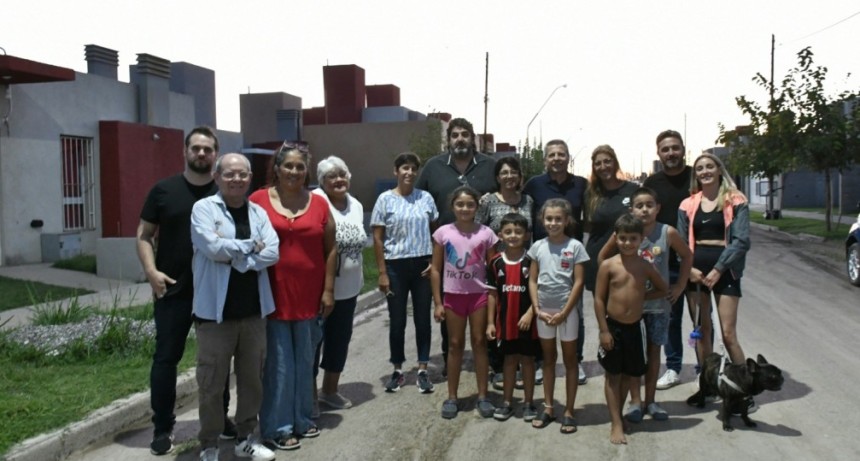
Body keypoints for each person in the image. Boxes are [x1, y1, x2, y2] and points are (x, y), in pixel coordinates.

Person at [136, 126, 234, 456]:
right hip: (173, 290)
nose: (202, 154)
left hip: (216, 290)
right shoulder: (163, 191)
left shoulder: (225, 194)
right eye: (196, 148)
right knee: (166, 359)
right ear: (185, 152)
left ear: (216, 154)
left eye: (208, 149)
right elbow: (144, 235)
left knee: (218, 361)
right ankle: (162, 427)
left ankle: (221, 419)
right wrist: (151, 272)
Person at [190, 153, 278, 461]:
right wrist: (252, 248)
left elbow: (274, 251)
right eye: (229, 174)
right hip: (215, 316)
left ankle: (245, 438)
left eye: (242, 174)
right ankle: (210, 443)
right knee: (211, 383)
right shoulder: (203, 209)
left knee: (252, 380)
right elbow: (211, 248)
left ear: (250, 178)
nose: (236, 179)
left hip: (253, 313)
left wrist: (239, 256)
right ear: (217, 177)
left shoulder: (257, 212)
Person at [250, 142, 336, 451]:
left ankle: (302, 418)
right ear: (277, 168)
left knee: (304, 362)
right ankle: (276, 426)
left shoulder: (319, 204)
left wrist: (328, 290)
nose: (294, 171)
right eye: (288, 165)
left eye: (300, 167)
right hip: (272, 296)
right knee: (278, 365)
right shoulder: (258, 200)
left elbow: (331, 248)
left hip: (310, 297)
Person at [597, 187, 691, 423]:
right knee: (632, 358)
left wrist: (679, 286)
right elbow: (603, 257)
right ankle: (635, 402)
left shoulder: (666, 233)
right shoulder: (627, 232)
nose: (645, 209)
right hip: (630, 314)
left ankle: (650, 401)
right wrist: (613, 287)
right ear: (632, 209)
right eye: (639, 205)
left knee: (653, 353)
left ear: (658, 208)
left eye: (650, 205)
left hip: (658, 307)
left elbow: (687, 256)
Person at [416, 117, 496, 373]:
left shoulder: (490, 166)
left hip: (483, 248)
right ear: (448, 140)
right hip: (446, 249)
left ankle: (492, 360)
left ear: (473, 138)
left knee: (486, 304)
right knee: (450, 305)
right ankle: (451, 358)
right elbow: (420, 206)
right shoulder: (433, 167)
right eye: (455, 135)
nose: (460, 138)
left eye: (465, 134)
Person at [678, 152, 753, 412]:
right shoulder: (688, 204)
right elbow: (680, 242)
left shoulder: (736, 200)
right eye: (700, 168)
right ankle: (708, 386)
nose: (705, 171)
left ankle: (745, 392)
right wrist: (690, 270)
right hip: (696, 272)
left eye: (710, 166)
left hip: (726, 271)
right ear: (695, 174)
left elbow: (741, 241)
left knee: (729, 334)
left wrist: (719, 269)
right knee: (702, 331)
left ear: (719, 170)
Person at [594, 214, 669, 444]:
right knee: (612, 376)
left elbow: (663, 288)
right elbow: (598, 298)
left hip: (635, 329)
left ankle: (619, 415)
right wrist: (604, 330)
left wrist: (642, 297)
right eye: (623, 238)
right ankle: (616, 422)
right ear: (616, 238)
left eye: (632, 239)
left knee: (629, 375)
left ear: (641, 238)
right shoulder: (608, 265)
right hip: (613, 329)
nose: (627, 243)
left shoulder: (645, 266)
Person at [371, 152, 437, 393]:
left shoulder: (426, 198)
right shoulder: (385, 200)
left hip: (422, 265)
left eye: (412, 168)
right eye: (404, 168)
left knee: (422, 319)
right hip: (395, 266)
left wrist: (433, 261)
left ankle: (422, 369)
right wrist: (382, 272)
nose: (409, 172)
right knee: (397, 321)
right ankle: (398, 370)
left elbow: (435, 233)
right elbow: (377, 239)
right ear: (395, 171)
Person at [523, 139, 589, 385]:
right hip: (543, 255)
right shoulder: (534, 185)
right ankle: (542, 362)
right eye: (552, 155)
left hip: (572, 256)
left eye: (561, 154)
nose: (557, 158)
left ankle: (577, 361)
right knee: (542, 306)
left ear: (568, 158)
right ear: (545, 160)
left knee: (576, 311)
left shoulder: (581, 184)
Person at [432, 186, 498, 419]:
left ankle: (482, 395)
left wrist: (494, 298)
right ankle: (452, 396)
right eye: (460, 204)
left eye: (470, 204)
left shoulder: (486, 234)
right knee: (455, 345)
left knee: (480, 343)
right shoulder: (443, 233)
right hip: (453, 296)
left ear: (477, 207)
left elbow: (493, 268)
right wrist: (438, 302)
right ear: (452, 207)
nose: (465, 209)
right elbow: (436, 270)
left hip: (478, 296)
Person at [527, 199, 588, 434]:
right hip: (544, 313)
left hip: (567, 313)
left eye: (558, 219)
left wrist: (564, 312)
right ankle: (549, 407)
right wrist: (536, 308)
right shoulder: (538, 246)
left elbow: (579, 281)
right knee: (548, 360)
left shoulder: (575, 246)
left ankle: (570, 411)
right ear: (543, 220)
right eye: (549, 219)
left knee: (571, 361)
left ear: (567, 220)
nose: (553, 223)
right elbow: (532, 279)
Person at [312, 156, 367, 410]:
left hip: (350, 288)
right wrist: (326, 289)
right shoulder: (316, 202)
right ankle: (308, 396)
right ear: (322, 182)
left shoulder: (354, 204)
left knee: (339, 341)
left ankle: (330, 391)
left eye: (342, 174)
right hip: (321, 290)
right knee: (314, 343)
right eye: (331, 176)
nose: (338, 180)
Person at [476, 155, 533, 390]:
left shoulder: (528, 200)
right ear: (497, 177)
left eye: (513, 172)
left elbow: (533, 233)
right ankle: (498, 368)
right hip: (496, 266)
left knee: (519, 312)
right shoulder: (488, 201)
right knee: (498, 313)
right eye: (504, 173)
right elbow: (478, 230)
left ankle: (521, 365)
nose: (509, 176)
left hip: (523, 266)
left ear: (520, 176)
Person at [643, 130, 693, 390]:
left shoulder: (697, 177)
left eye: (675, 148)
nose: (671, 153)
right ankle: (673, 367)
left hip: (694, 262)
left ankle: (706, 368)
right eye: (665, 149)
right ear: (658, 153)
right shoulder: (652, 183)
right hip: (662, 263)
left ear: (683, 149)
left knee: (702, 319)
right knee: (670, 318)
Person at [485, 213, 540, 423]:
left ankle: (528, 402)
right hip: (505, 324)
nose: (513, 235)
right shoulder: (495, 262)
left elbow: (540, 290)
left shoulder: (532, 260)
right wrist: (490, 322)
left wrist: (530, 313)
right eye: (508, 232)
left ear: (527, 235)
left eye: (518, 231)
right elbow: (491, 294)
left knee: (527, 362)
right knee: (509, 362)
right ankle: (507, 402)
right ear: (500, 235)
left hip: (528, 323)